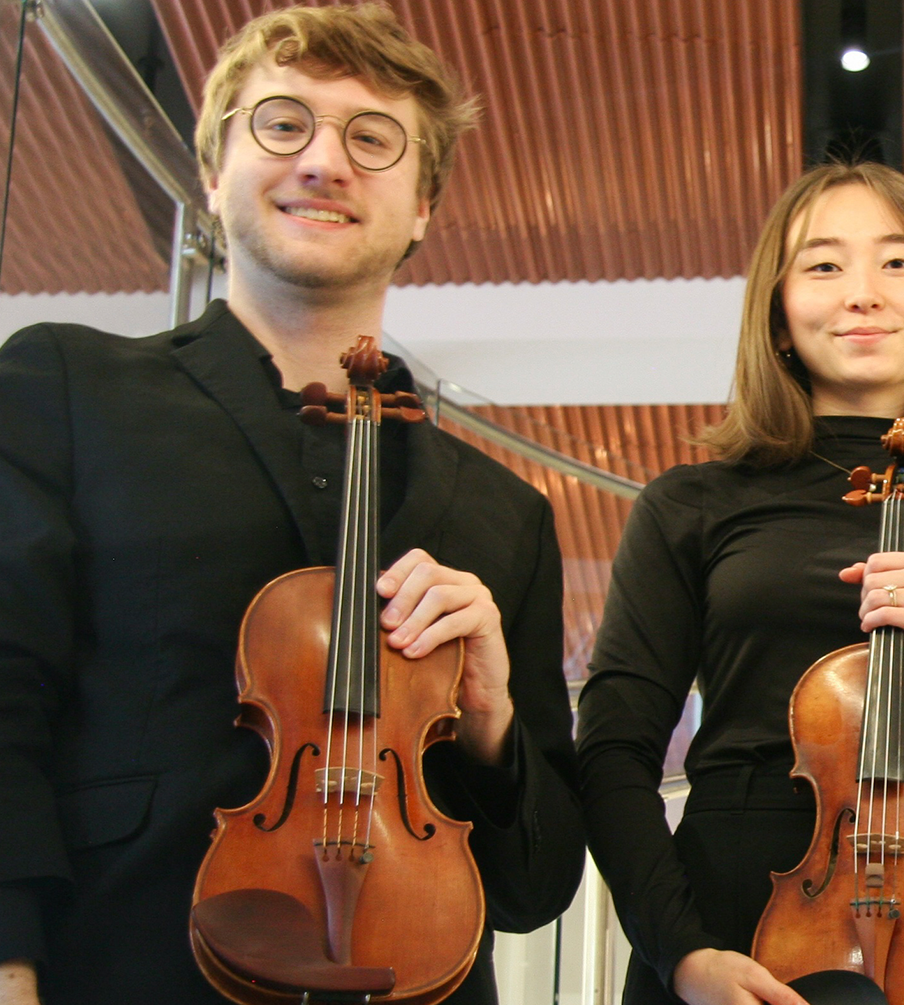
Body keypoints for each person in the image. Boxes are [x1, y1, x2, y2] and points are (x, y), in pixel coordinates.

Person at [0, 6, 586, 1003]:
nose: (324, 161)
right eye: (282, 124)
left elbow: (534, 889)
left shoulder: (505, 513)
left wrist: (488, 722)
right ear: (212, 174)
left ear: (424, 207)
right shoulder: (63, 384)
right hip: (126, 969)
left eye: (372, 138)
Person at [575, 160, 904, 1005]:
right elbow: (612, 750)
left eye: (898, 262)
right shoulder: (690, 504)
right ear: (781, 315)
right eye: (823, 264)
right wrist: (679, 951)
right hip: (731, 925)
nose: (862, 291)